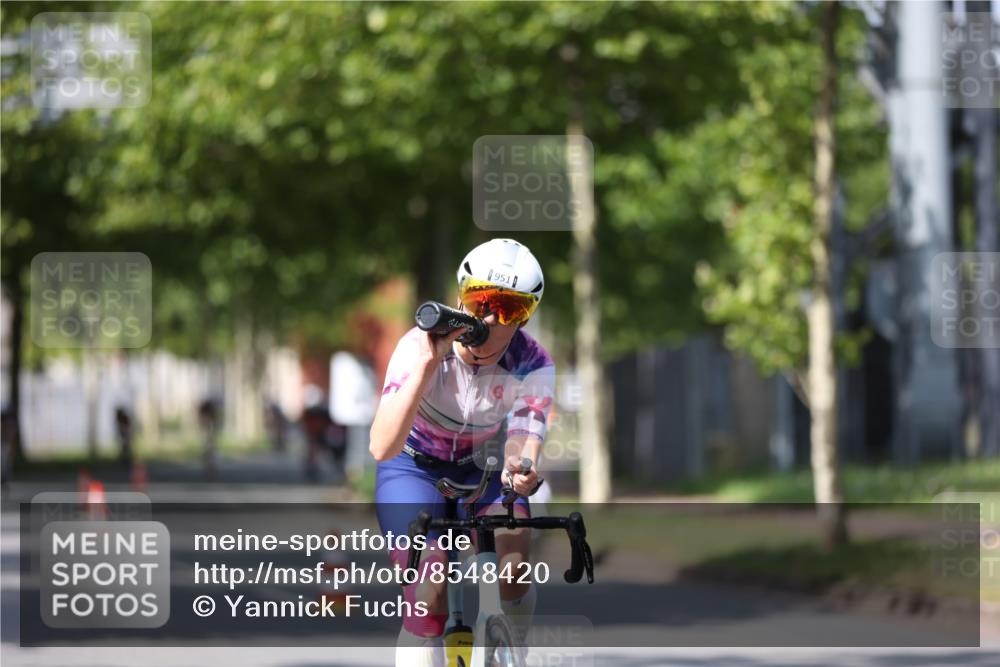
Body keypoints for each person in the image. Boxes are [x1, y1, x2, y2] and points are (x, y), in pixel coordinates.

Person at [370, 238, 554, 667]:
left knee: (513, 566)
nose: (488, 318)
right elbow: (381, 446)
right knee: (429, 588)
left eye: (507, 308)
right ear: (460, 298)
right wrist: (427, 365)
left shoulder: (532, 362)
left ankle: (513, 650)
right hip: (412, 469)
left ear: (525, 317)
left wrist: (520, 468)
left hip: (481, 468)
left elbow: (523, 442)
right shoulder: (416, 346)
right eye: (479, 301)